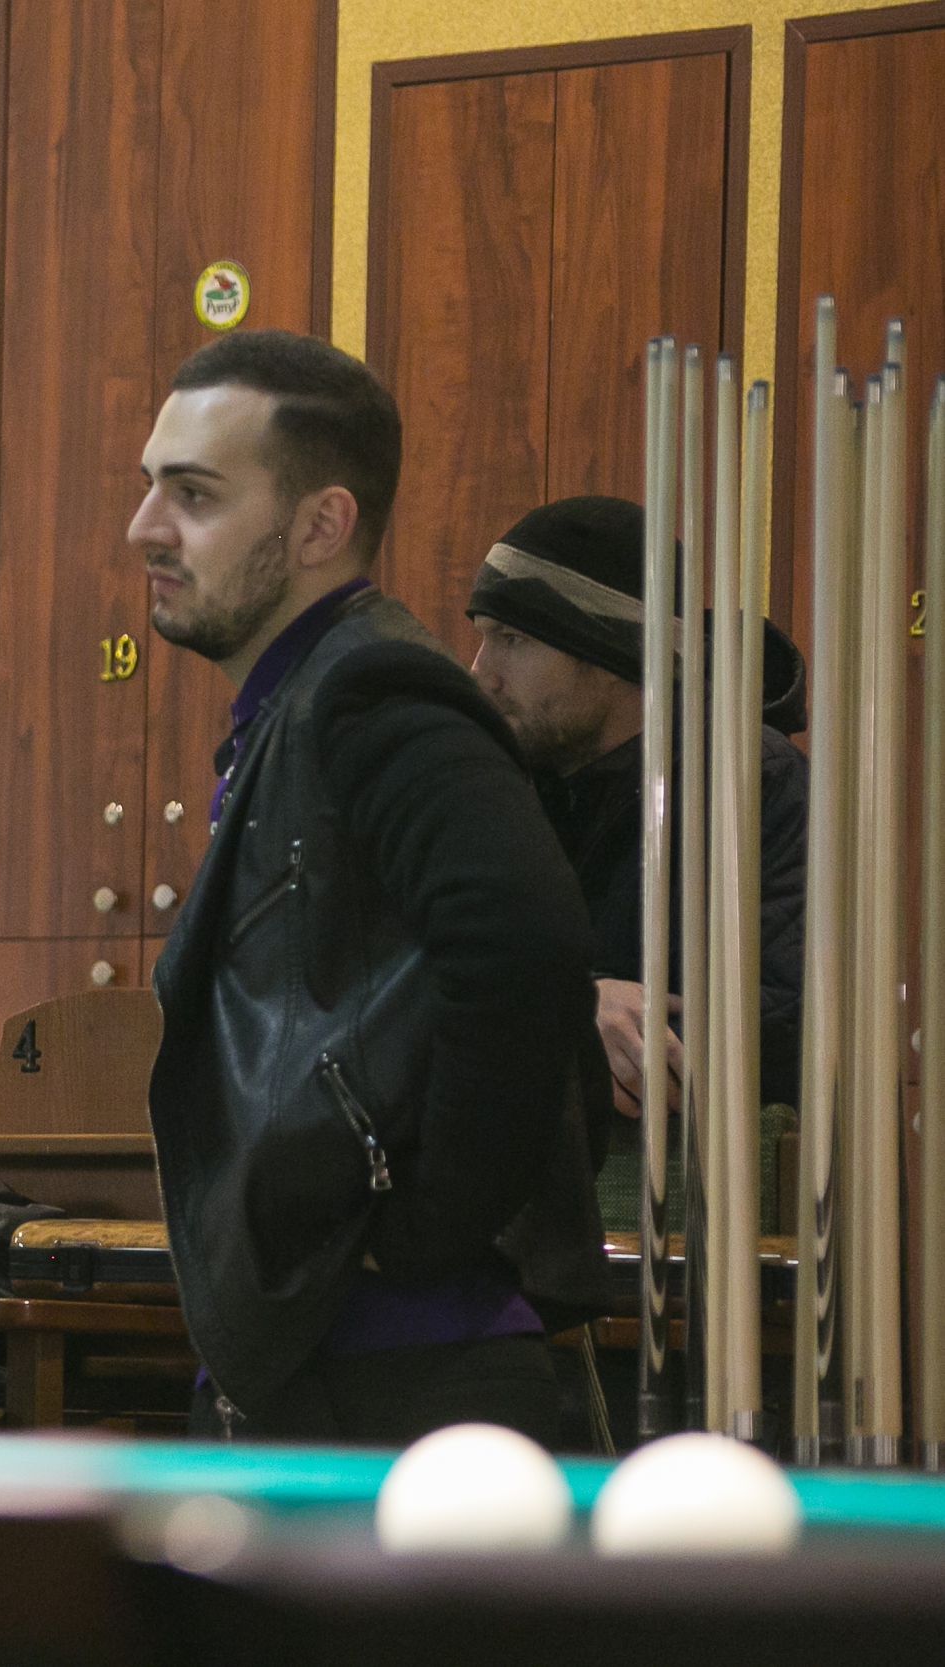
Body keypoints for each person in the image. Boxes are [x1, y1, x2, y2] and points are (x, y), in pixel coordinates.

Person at [132, 330, 608, 1447]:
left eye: (192, 494)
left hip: (399, 1375)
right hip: (334, 1361)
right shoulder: (299, 702)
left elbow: (527, 941)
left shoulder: (372, 691)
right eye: (149, 485)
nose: (144, 525)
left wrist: (432, 1228)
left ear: (320, 526)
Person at [464, 496, 808, 1132]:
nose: (481, 674)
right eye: (482, 637)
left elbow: (789, 1022)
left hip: (697, 1180)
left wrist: (558, 1025)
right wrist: (572, 1005)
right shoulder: (494, 784)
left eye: (512, 640)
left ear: (611, 652)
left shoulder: (749, 783)